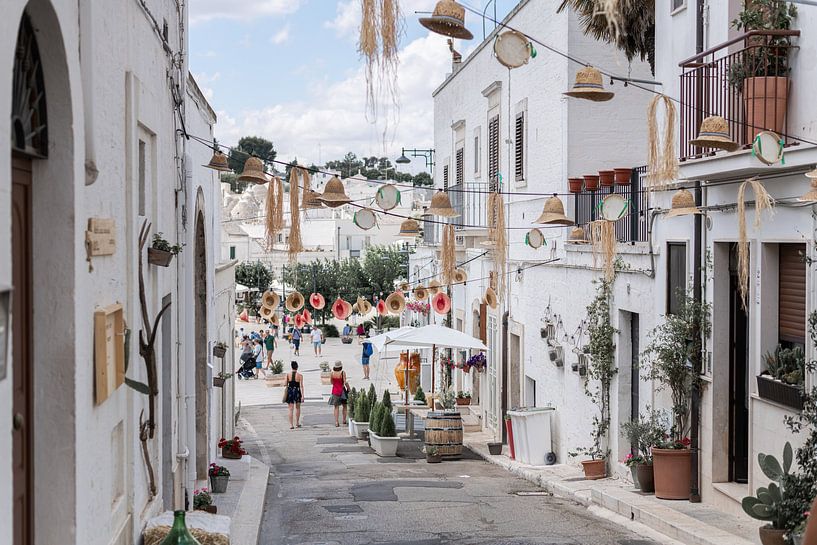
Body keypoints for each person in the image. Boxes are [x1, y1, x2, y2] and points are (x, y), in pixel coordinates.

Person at [328, 361, 350, 427]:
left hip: (335, 391)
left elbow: (331, 382)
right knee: (345, 406)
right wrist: (349, 389)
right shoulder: (342, 373)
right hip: (342, 391)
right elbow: (345, 382)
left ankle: (336, 422)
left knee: (336, 407)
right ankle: (344, 420)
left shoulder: (332, 373)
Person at [285, 361, 304, 429]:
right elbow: (301, 386)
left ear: (291, 367)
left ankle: (291, 425)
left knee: (290, 409)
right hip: (297, 391)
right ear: (297, 367)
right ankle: (297, 423)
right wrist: (303, 396)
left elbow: (285, 384)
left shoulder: (288, 375)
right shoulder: (300, 375)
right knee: (298, 408)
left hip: (290, 391)